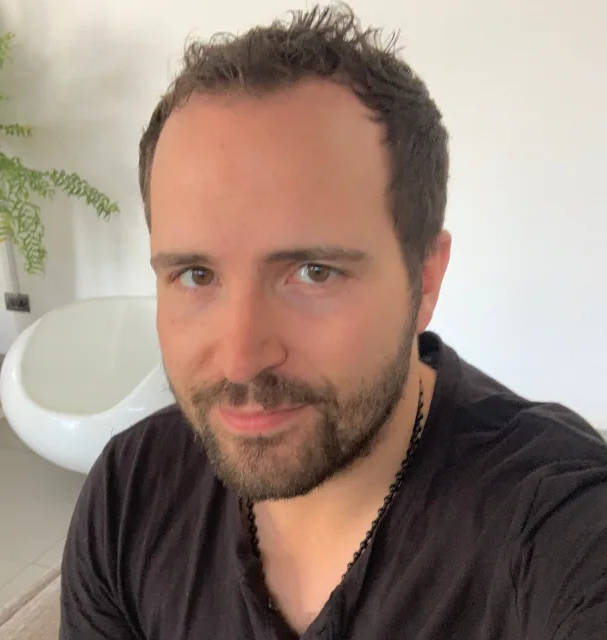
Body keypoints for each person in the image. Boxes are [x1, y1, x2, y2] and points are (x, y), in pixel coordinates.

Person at [58, 4, 607, 639]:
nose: (240, 359)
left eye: (313, 272)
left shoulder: (554, 527)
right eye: (196, 276)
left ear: (424, 278)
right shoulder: (130, 494)